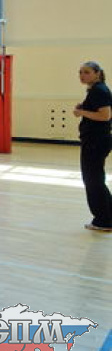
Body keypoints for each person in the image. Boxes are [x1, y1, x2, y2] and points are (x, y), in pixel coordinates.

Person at [73, 61, 112, 232]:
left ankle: (103, 220)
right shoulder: (97, 90)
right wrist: (84, 107)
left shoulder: (99, 90)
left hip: (96, 142)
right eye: (80, 72)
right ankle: (108, 216)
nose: (82, 75)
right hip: (96, 141)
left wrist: (81, 112)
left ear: (97, 73)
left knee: (92, 180)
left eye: (87, 72)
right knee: (95, 179)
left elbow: (105, 116)